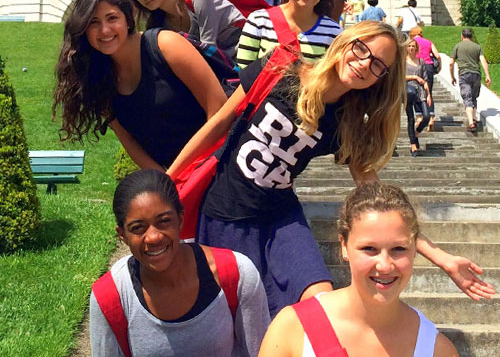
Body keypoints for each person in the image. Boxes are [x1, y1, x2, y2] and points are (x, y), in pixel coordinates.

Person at [168, 20, 493, 316]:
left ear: (380, 79)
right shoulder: (280, 67)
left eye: (378, 65)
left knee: (319, 300)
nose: (365, 63)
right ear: (345, 42)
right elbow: (219, 124)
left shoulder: (346, 124)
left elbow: (376, 198)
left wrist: (442, 258)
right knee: (238, 318)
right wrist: (169, 180)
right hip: (226, 212)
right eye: (362, 49)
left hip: (281, 217)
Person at [257, 182, 459, 357]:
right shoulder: (292, 328)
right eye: (369, 249)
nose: (385, 265)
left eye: (398, 249)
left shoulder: (437, 349)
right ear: (344, 246)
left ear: (415, 248)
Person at [90, 169, 270, 357]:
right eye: (138, 228)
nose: (153, 237)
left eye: (164, 221)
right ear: (122, 236)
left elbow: (262, 351)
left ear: (180, 220)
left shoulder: (237, 275)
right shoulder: (110, 298)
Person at [52, 0, 227, 171]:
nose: (104, 30)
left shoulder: (165, 45)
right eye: (93, 22)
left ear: (128, 20)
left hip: (223, 161)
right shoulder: (98, 77)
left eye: (112, 18)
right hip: (177, 181)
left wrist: (181, 174)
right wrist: (166, 183)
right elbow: (129, 141)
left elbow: (218, 108)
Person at [450, 28, 491, 132]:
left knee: (467, 98)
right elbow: (483, 61)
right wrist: (487, 75)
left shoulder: (458, 46)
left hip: (464, 74)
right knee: (473, 97)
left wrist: (452, 76)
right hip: (476, 74)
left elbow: (451, 63)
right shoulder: (477, 47)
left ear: (462, 36)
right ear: (471, 36)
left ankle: (471, 123)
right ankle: (474, 118)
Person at [410, 26, 441, 131]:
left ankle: (419, 117)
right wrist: (439, 67)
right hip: (428, 66)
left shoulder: (412, 43)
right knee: (428, 92)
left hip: (417, 65)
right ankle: (431, 117)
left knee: (415, 92)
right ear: (421, 33)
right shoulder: (428, 42)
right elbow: (438, 56)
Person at [405, 39, 432, 156]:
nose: (411, 48)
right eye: (409, 46)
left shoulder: (421, 62)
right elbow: (399, 77)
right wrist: (414, 77)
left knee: (426, 116)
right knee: (411, 118)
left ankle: (415, 134)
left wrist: (429, 94)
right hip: (408, 91)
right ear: (406, 48)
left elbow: (425, 80)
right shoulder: (403, 62)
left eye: (413, 46)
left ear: (416, 48)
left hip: (420, 91)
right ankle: (413, 146)